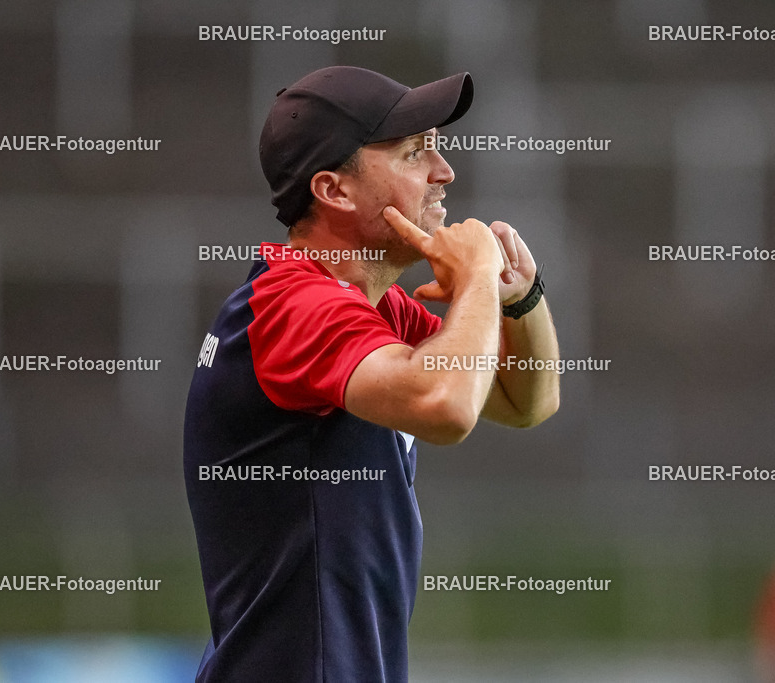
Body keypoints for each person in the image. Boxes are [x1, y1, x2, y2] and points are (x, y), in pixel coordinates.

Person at [183, 65, 560, 682]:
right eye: (414, 153)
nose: (444, 173)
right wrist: (471, 284)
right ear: (334, 191)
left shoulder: (369, 306)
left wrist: (518, 299)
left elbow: (524, 402)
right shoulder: (295, 306)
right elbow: (447, 407)